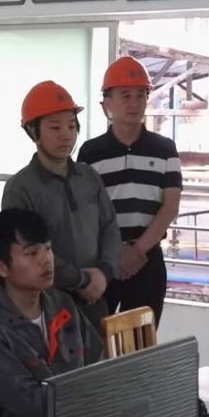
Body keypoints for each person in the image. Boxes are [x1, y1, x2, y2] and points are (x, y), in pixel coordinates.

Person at [0, 209, 103, 417]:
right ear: (1, 267)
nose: (46, 260)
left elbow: (97, 363)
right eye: (32, 253)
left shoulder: (62, 303)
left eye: (48, 249)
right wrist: (91, 402)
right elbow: (33, 407)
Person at [0, 80, 121, 335]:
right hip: (45, 307)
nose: (65, 134)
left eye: (71, 126)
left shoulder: (89, 177)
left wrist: (104, 272)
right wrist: (81, 280)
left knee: (100, 360)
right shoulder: (20, 188)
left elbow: (110, 227)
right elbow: (29, 251)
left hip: (95, 301)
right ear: (34, 132)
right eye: (55, 127)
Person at [79, 56, 183, 327]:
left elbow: (170, 206)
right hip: (103, 260)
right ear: (107, 103)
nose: (134, 103)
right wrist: (116, 252)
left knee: (140, 343)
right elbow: (87, 210)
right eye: (125, 96)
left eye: (140, 95)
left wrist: (137, 250)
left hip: (147, 259)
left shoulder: (165, 149)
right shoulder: (90, 152)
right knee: (94, 338)